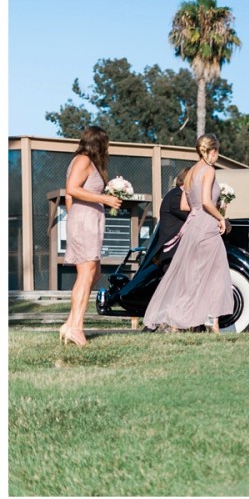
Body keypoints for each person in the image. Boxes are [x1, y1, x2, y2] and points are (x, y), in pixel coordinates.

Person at [143, 134, 233, 333]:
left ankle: (176, 322)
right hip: (207, 226)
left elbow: (185, 205)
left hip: (193, 226)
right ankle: (213, 323)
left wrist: (202, 212)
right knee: (217, 274)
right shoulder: (209, 170)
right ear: (213, 150)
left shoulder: (191, 171)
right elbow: (207, 202)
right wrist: (221, 218)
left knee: (190, 276)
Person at [60, 126, 123, 347]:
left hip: (87, 222)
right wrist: (104, 200)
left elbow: (71, 196)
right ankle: (76, 328)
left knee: (93, 273)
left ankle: (70, 324)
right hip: (85, 223)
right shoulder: (83, 160)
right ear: (98, 143)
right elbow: (71, 189)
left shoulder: (87, 162)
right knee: (86, 275)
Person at [151, 166, 191, 268]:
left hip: (177, 252)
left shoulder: (177, 194)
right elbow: (192, 217)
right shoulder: (177, 196)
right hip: (172, 251)